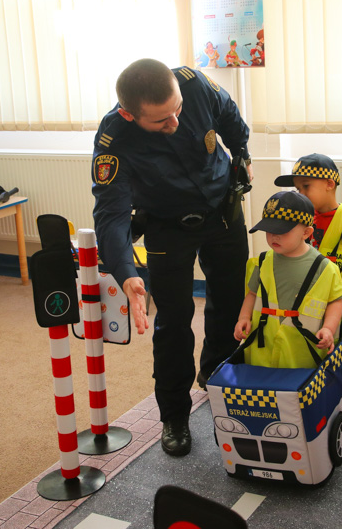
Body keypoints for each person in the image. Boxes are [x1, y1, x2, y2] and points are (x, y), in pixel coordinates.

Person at [92, 58, 253, 457]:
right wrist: (126, 272)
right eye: (162, 120)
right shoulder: (114, 140)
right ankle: (174, 415)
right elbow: (110, 214)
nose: (175, 123)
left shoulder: (193, 84)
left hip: (222, 211)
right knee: (173, 322)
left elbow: (229, 113)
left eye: (177, 110)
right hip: (166, 226)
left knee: (232, 305)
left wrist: (243, 150)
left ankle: (217, 380)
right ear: (130, 115)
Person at [234, 191, 342, 369]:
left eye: (281, 231)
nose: (273, 236)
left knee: (297, 393)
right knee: (262, 390)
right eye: (269, 230)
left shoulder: (325, 268)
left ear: (307, 232)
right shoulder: (261, 263)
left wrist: (328, 328)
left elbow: (335, 301)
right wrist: (244, 318)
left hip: (302, 351)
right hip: (263, 348)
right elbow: (252, 294)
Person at [274, 153, 342, 327]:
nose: (301, 194)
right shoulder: (301, 222)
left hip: (341, 303)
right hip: (308, 300)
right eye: (298, 189)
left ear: (329, 184)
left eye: (306, 186)